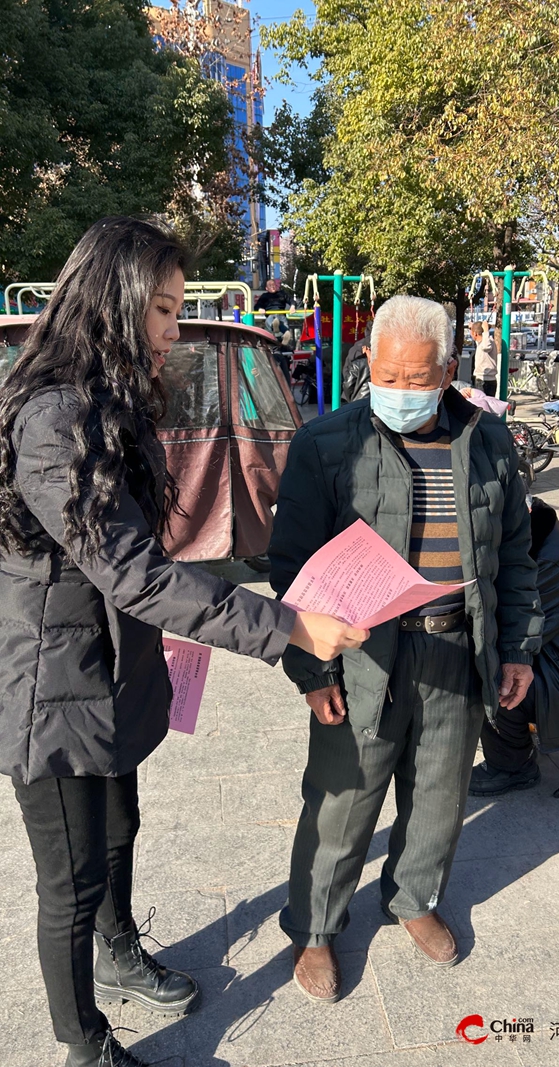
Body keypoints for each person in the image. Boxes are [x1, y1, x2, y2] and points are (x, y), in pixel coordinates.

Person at [0, 216, 367, 1067]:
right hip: (51, 690)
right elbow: (133, 573)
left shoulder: (110, 402)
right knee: (70, 879)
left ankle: (118, 949)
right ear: (113, 304)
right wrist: (286, 625)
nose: (173, 328)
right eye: (162, 309)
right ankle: (84, 1043)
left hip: (108, 670)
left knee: (118, 827)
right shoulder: (53, 419)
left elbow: (134, 563)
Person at [269, 294, 543, 1003]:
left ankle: (413, 897)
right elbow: (292, 568)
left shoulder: (488, 440)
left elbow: (515, 552)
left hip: (457, 648)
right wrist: (312, 670)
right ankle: (315, 927)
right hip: (364, 656)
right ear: (369, 362)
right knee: (341, 801)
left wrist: (517, 648)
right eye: (386, 375)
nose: (399, 390)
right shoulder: (326, 444)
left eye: (417, 379)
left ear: (449, 370)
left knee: (440, 796)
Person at [470, 498, 559, 795]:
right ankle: (505, 739)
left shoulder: (550, 563)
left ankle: (513, 767)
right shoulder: (547, 539)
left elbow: (513, 634)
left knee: (491, 670)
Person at [342, 319, 373, 402]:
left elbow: (347, 380)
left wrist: (352, 397)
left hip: (358, 397)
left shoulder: (358, 347)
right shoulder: (386, 345)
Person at [470, 320, 498, 396]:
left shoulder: (488, 342)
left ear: (475, 334)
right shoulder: (482, 342)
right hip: (484, 379)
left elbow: (486, 347)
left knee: (482, 402)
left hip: (484, 380)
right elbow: (480, 341)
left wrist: (486, 330)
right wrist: (472, 328)